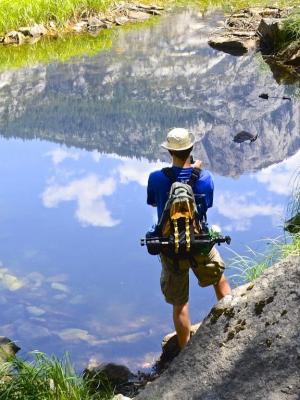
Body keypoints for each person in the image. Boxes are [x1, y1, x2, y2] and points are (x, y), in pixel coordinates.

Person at [147, 128, 231, 349]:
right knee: (219, 281)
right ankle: (232, 330)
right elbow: (207, 205)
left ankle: (185, 354)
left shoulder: (156, 178)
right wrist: (193, 174)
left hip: (172, 248)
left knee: (180, 304)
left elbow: (154, 203)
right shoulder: (205, 177)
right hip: (200, 245)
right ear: (191, 149)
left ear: (170, 152)